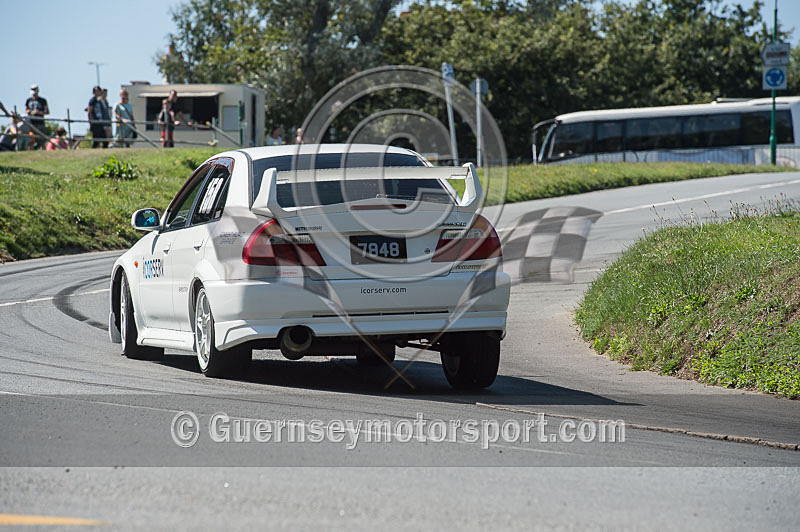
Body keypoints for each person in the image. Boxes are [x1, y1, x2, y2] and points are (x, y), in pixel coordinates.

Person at [25, 84, 49, 149]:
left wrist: (39, 112)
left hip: (40, 123)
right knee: (31, 139)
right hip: (31, 123)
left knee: (41, 140)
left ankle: (43, 152)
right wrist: (30, 111)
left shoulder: (43, 100)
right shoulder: (28, 100)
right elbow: (26, 110)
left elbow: (47, 112)